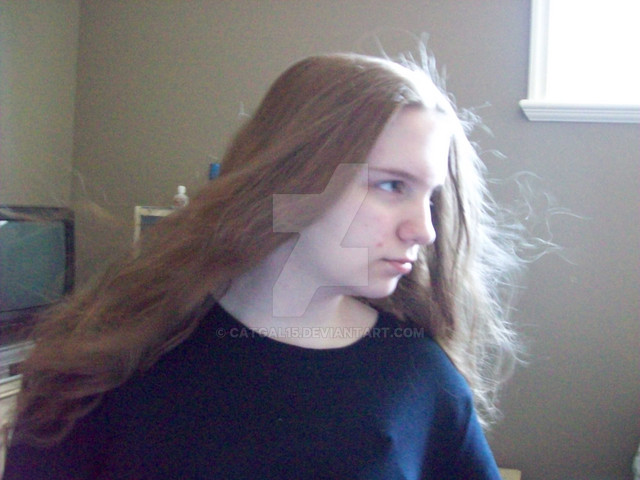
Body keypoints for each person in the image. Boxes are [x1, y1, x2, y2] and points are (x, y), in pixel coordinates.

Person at [4, 52, 523, 479]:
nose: (425, 230)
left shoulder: (421, 380)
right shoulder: (105, 363)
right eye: (391, 185)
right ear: (292, 176)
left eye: (430, 198)